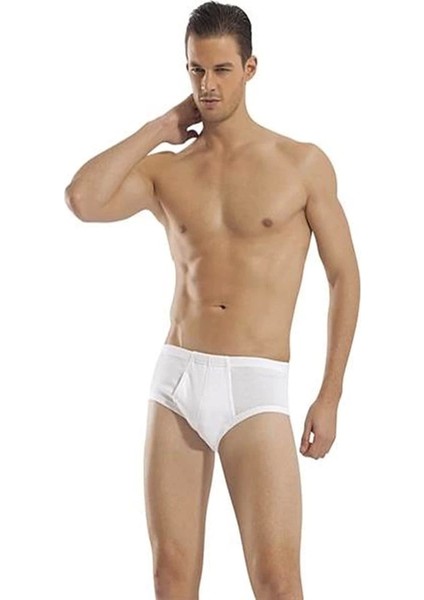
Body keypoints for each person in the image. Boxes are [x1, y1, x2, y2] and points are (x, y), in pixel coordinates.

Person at [65, 2, 360, 598]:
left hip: (256, 382)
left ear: (250, 68)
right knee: (171, 576)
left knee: (277, 580)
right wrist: (159, 126)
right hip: (177, 380)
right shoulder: (167, 172)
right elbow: (83, 199)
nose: (208, 86)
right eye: (196, 70)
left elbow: (344, 277)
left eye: (222, 70)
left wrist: (329, 394)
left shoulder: (301, 164)